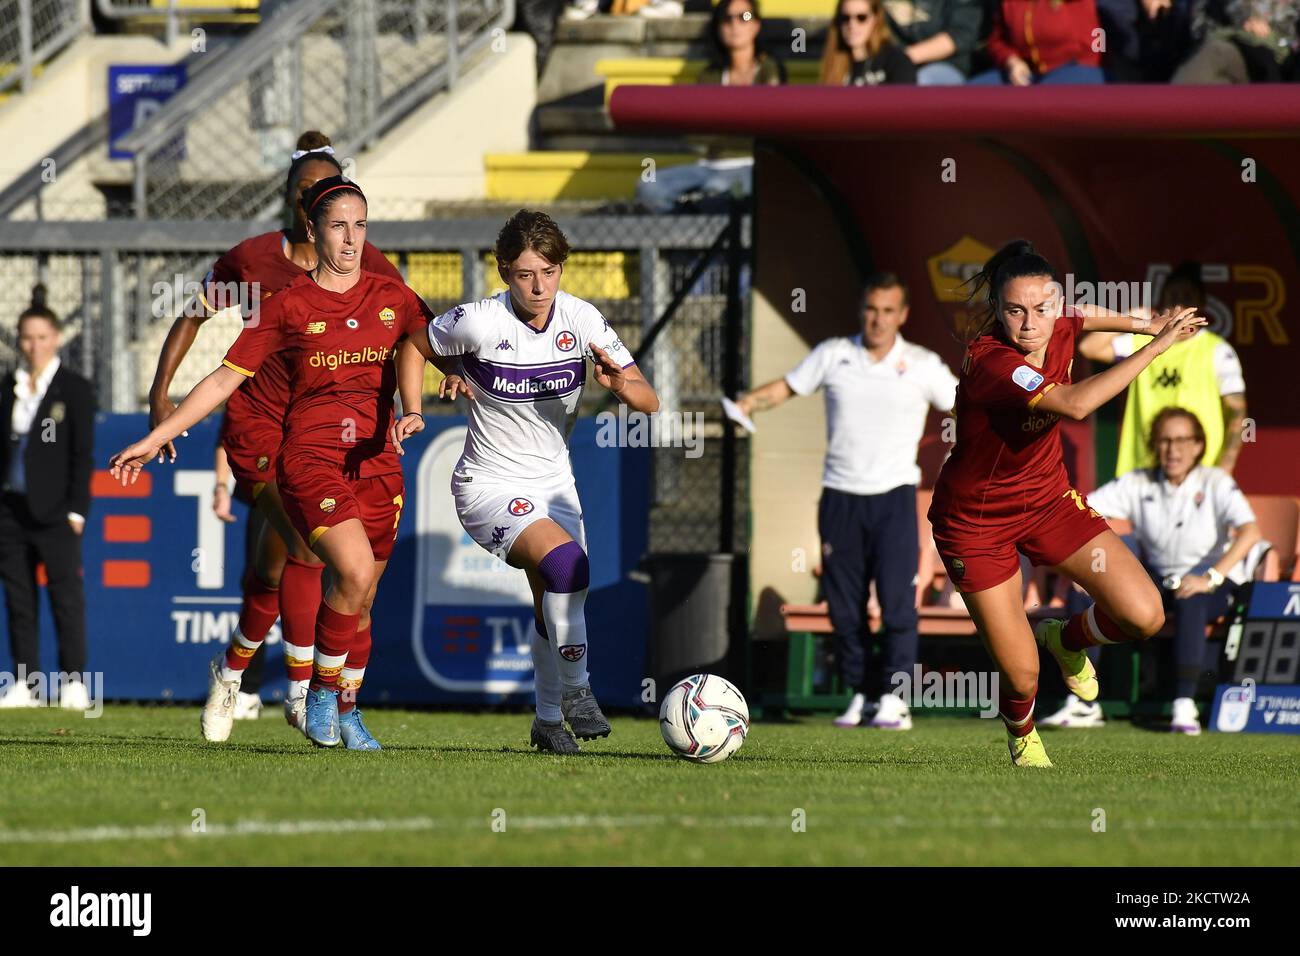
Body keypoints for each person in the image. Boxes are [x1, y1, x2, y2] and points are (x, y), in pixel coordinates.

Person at [112, 175, 433, 751]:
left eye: (361, 225)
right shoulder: (285, 305)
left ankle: (341, 705)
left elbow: (434, 338)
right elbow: (221, 379)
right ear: (311, 227)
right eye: (339, 225)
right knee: (343, 568)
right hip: (305, 454)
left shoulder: (392, 294)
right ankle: (312, 690)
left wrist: (451, 379)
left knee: (361, 598)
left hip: (377, 458)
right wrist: (157, 428)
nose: (352, 238)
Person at [928, 239, 1205, 767]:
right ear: (997, 309)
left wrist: (1142, 324)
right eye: (1014, 310)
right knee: (1022, 674)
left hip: (1048, 501)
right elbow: (1075, 404)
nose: (1030, 323)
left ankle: (1066, 637)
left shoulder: (1061, 318)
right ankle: (1022, 732)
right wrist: (1155, 346)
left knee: (1144, 615)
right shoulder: (993, 362)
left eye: (1041, 309)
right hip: (975, 524)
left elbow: (1083, 316)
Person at [395, 209, 660, 754]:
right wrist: (415, 405)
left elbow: (649, 400)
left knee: (556, 597)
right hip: (488, 484)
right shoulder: (479, 322)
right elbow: (414, 345)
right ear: (504, 271)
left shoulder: (582, 320)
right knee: (568, 566)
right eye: (525, 274)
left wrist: (618, 385)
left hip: (554, 482)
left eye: (550, 271)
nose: (539, 287)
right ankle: (578, 693)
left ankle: (545, 721)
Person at [736, 274, 959, 729]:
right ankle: (860, 693)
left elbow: (964, 404)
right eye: (871, 309)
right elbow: (785, 387)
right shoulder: (833, 354)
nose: (878, 319)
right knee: (844, 606)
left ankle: (896, 698)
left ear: (903, 316)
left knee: (898, 600)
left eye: (888, 311)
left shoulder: (921, 364)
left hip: (895, 498)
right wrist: (747, 404)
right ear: (863, 310)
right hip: (839, 497)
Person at [1040, 407, 1260, 733]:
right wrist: (1089, 569)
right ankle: (1082, 703)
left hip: (1210, 582)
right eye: (1165, 440)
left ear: (1199, 445)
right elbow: (1081, 510)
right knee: (1089, 590)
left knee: (1191, 599)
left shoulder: (1216, 481)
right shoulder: (1138, 482)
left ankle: (1184, 706)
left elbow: (1250, 532)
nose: (1174, 449)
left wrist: (1209, 577)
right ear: (1155, 445)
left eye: (1182, 440)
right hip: (1157, 579)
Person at [0, 289, 96, 710]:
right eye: (26, 337)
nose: (33, 345)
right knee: (18, 597)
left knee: (65, 598)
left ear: (56, 337)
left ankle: (74, 680)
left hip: (56, 511)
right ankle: (26, 681)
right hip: (11, 508)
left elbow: (81, 453)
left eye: (41, 336)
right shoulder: (9, 386)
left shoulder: (72, 389)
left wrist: (77, 510)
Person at [1079, 262, 1247, 477]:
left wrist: (1225, 467)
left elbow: (1237, 413)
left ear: (1201, 303)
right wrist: (1134, 317)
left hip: (1197, 473)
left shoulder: (1218, 351)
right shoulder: (1142, 342)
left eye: (1187, 297)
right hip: (1143, 470)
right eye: (1173, 296)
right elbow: (1089, 347)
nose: (1180, 304)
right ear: (1163, 300)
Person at [968, 0, 1106, 84]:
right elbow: (996, 41)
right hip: (1027, 73)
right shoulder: (1010, 3)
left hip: (1077, 69)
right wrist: (1012, 61)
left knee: (1040, 103)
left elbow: (1097, 39)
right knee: (971, 95)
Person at [1173, 0, 1299, 82]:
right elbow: (1200, 26)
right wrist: (1245, 16)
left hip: (1280, 60)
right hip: (1239, 50)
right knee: (1214, 62)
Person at [883, 0, 984, 84]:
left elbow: (962, 34)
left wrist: (902, 59)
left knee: (919, 83)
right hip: (889, 61)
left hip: (947, 63)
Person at [820, 0, 919, 85]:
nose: (852, 24)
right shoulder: (835, 62)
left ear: (876, 19)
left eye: (861, 17)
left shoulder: (896, 61)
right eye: (845, 18)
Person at [700, 0, 787, 85]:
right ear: (717, 28)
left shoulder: (772, 69)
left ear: (756, 25)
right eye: (726, 18)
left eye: (744, 16)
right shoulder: (708, 77)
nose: (734, 24)